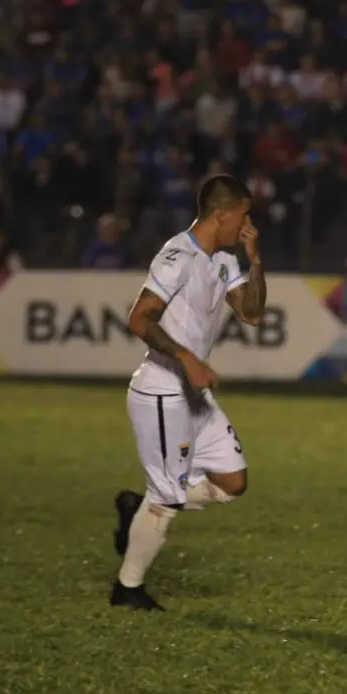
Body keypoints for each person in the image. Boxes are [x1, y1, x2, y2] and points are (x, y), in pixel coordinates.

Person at [110, 174, 267, 611]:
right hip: (162, 392)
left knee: (233, 483)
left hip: (193, 395)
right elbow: (140, 318)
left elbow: (252, 314)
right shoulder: (178, 255)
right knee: (167, 498)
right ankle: (128, 589)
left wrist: (254, 259)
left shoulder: (225, 260)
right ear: (222, 214)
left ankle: (140, 508)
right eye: (244, 214)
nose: (248, 223)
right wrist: (186, 357)